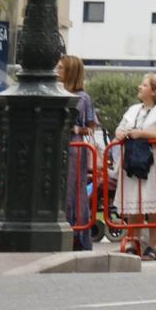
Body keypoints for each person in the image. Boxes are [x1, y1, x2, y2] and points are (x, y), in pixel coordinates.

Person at [111, 73, 156, 261]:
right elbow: (119, 129)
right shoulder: (133, 110)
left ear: (155, 91)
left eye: (144, 85)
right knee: (135, 204)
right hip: (134, 160)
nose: (140, 87)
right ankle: (134, 242)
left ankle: (153, 246)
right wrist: (122, 133)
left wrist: (141, 133)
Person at [58, 55, 99, 251]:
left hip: (74, 148)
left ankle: (77, 234)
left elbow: (91, 126)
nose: (57, 71)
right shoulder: (54, 92)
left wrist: (76, 129)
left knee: (74, 191)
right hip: (58, 146)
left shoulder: (82, 98)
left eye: (61, 68)